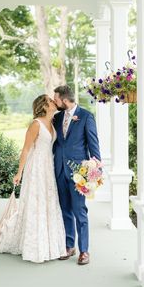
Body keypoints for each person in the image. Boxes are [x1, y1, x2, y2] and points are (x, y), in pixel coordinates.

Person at [0, 94, 67, 263]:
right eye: (51, 101)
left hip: (48, 168)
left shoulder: (52, 121)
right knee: (36, 204)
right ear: (44, 106)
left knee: (48, 202)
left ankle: (51, 245)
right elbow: (26, 150)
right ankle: (34, 246)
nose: (54, 102)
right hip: (35, 169)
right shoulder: (36, 124)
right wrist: (19, 173)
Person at [53, 85, 101, 265]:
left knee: (79, 211)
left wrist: (95, 170)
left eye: (56, 99)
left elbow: (93, 145)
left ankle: (84, 251)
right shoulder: (57, 118)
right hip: (59, 169)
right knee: (64, 209)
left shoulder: (86, 116)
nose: (55, 102)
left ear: (65, 100)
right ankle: (69, 245)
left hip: (78, 172)